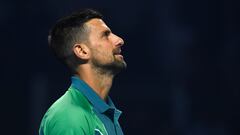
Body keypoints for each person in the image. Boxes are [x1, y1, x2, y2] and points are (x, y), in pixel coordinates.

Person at [39, 9, 127, 135]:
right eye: (105, 35)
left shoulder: (107, 114)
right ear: (82, 51)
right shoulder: (68, 116)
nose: (119, 40)